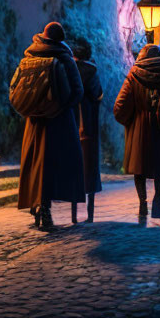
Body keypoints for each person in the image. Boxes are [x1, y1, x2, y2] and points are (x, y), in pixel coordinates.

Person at [16, 22, 85, 230]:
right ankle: (45, 211)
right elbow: (77, 90)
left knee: (34, 163)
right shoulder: (63, 57)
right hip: (58, 121)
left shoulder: (29, 56)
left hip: (33, 121)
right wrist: (61, 106)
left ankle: (34, 202)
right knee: (55, 164)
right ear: (60, 39)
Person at [113, 44, 160, 219]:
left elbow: (120, 105)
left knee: (139, 168)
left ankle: (142, 204)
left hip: (139, 127)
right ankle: (157, 201)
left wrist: (127, 120)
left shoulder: (134, 75)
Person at [70, 37, 103, 223]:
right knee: (89, 168)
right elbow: (98, 94)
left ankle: (73, 215)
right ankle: (90, 214)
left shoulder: (67, 70)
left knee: (74, 168)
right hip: (88, 125)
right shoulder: (91, 71)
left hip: (71, 125)